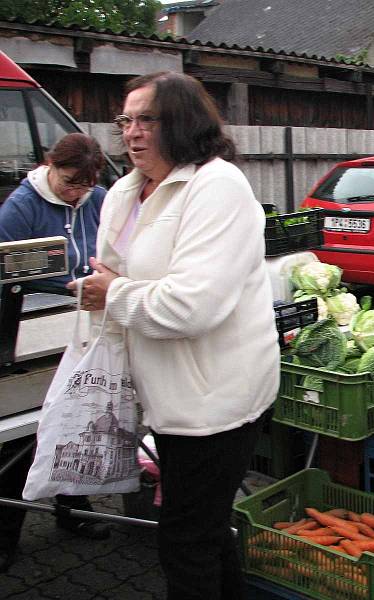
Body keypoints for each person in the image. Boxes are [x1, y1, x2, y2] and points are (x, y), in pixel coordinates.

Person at [65, 71, 280, 600]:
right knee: (204, 532)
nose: (133, 133)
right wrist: (104, 292)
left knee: (185, 543)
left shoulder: (218, 187)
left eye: (147, 120)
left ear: (182, 123)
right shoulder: (123, 190)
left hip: (216, 402)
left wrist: (113, 293)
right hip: (165, 393)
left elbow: (191, 307)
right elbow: (110, 272)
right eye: (127, 121)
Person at [0, 133, 110, 574]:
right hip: (32, 332)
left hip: (86, 326)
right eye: (70, 183)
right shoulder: (20, 208)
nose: (77, 193)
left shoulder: (99, 199)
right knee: (21, 440)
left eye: (85, 185)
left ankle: (75, 507)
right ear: (49, 165)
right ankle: (6, 534)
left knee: (79, 425)